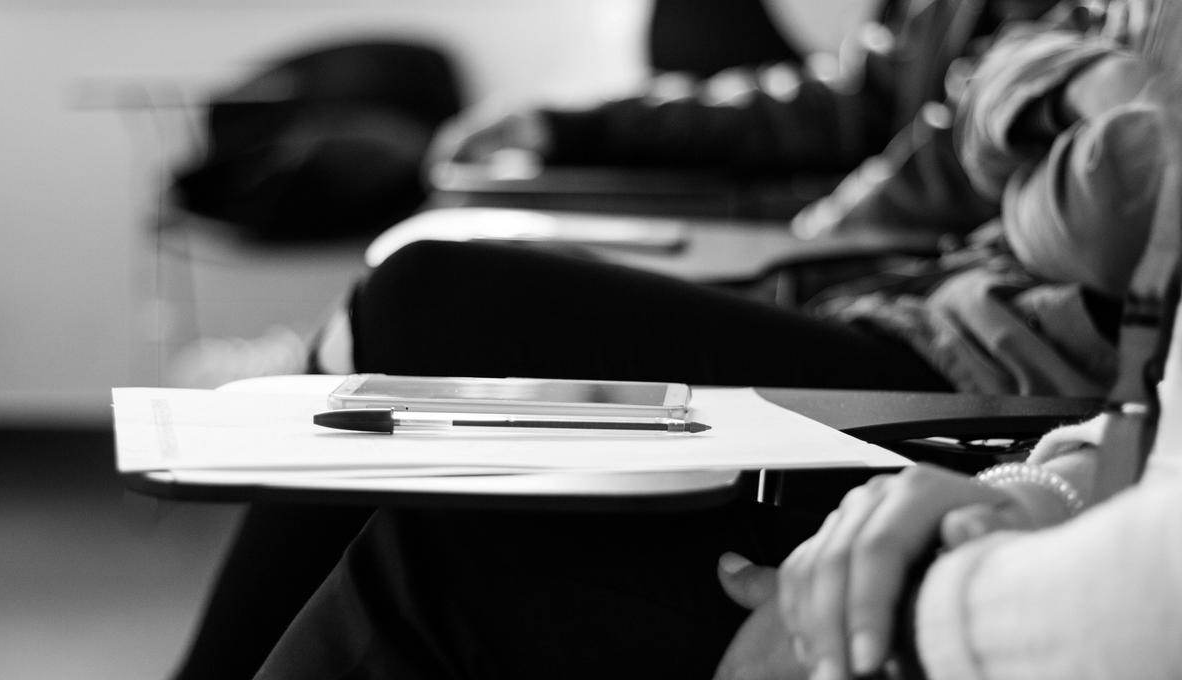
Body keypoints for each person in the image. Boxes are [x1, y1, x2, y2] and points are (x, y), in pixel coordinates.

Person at [171, 3, 1157, 677]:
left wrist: (1072, 112)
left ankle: (306, 370)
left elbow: (1092, 215)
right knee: (415, 326)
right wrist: (573, 129)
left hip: (970, 382)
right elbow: (913, 107)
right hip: (894, 302)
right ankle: (312, 370)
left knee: (421, 304)